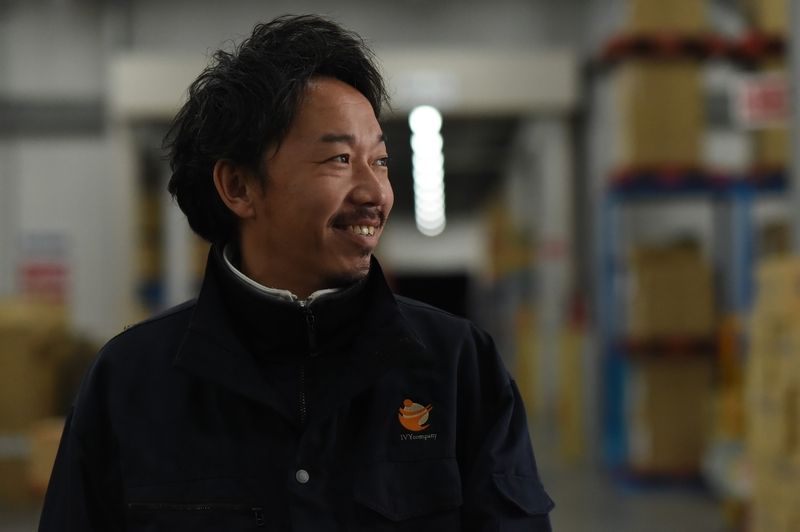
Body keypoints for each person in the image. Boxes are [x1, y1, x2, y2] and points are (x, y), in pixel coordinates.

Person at [39, 14, 553, 531]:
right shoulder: (130, 383)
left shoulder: (460, 368)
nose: (375, 193)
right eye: (339, 159)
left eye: (379, 161)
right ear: (239, 187)